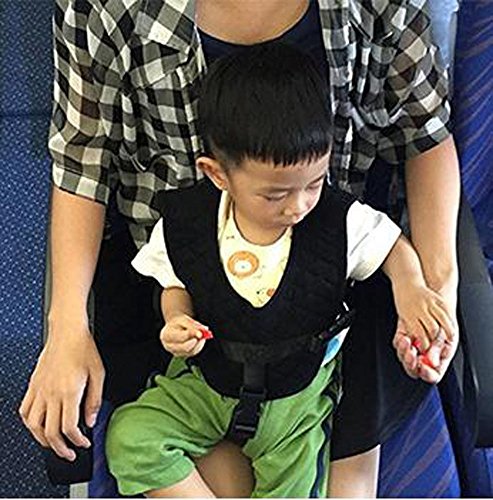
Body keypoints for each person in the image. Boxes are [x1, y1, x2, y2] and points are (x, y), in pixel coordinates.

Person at [19, 0, 460, 496]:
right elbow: (84, 161)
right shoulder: (109, 9)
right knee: (169, 447)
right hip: (188, 281)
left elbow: (424, 133)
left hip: (333, 283)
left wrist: (434, 293)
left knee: (336, 463)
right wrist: (67, 327)